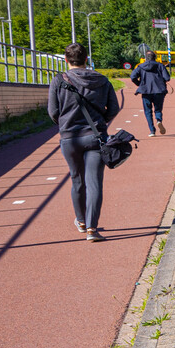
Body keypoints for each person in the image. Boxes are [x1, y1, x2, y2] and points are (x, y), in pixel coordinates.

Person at [47, 42, 121, 242]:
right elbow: (114, 108)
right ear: (86, 59)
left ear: (66, 60)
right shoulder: (102, 80)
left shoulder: (58, 81)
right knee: (94, 182)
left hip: (70, 138)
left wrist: (65, 123)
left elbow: (53, 112)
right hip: (96, 135)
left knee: (77, 179)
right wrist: (101, 122)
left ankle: (80, 221)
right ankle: (92, 229)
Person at [130, 49, 172, 136]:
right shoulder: (160, 66)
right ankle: (159, 120)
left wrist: (139, 84)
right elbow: (167, 78)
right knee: (158, 109)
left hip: (145, 91)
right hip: (159, 91)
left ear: (146, 58)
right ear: (155, 58)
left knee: (147, 111)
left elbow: (133, 76)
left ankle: (152, 131)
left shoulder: (140, 67)